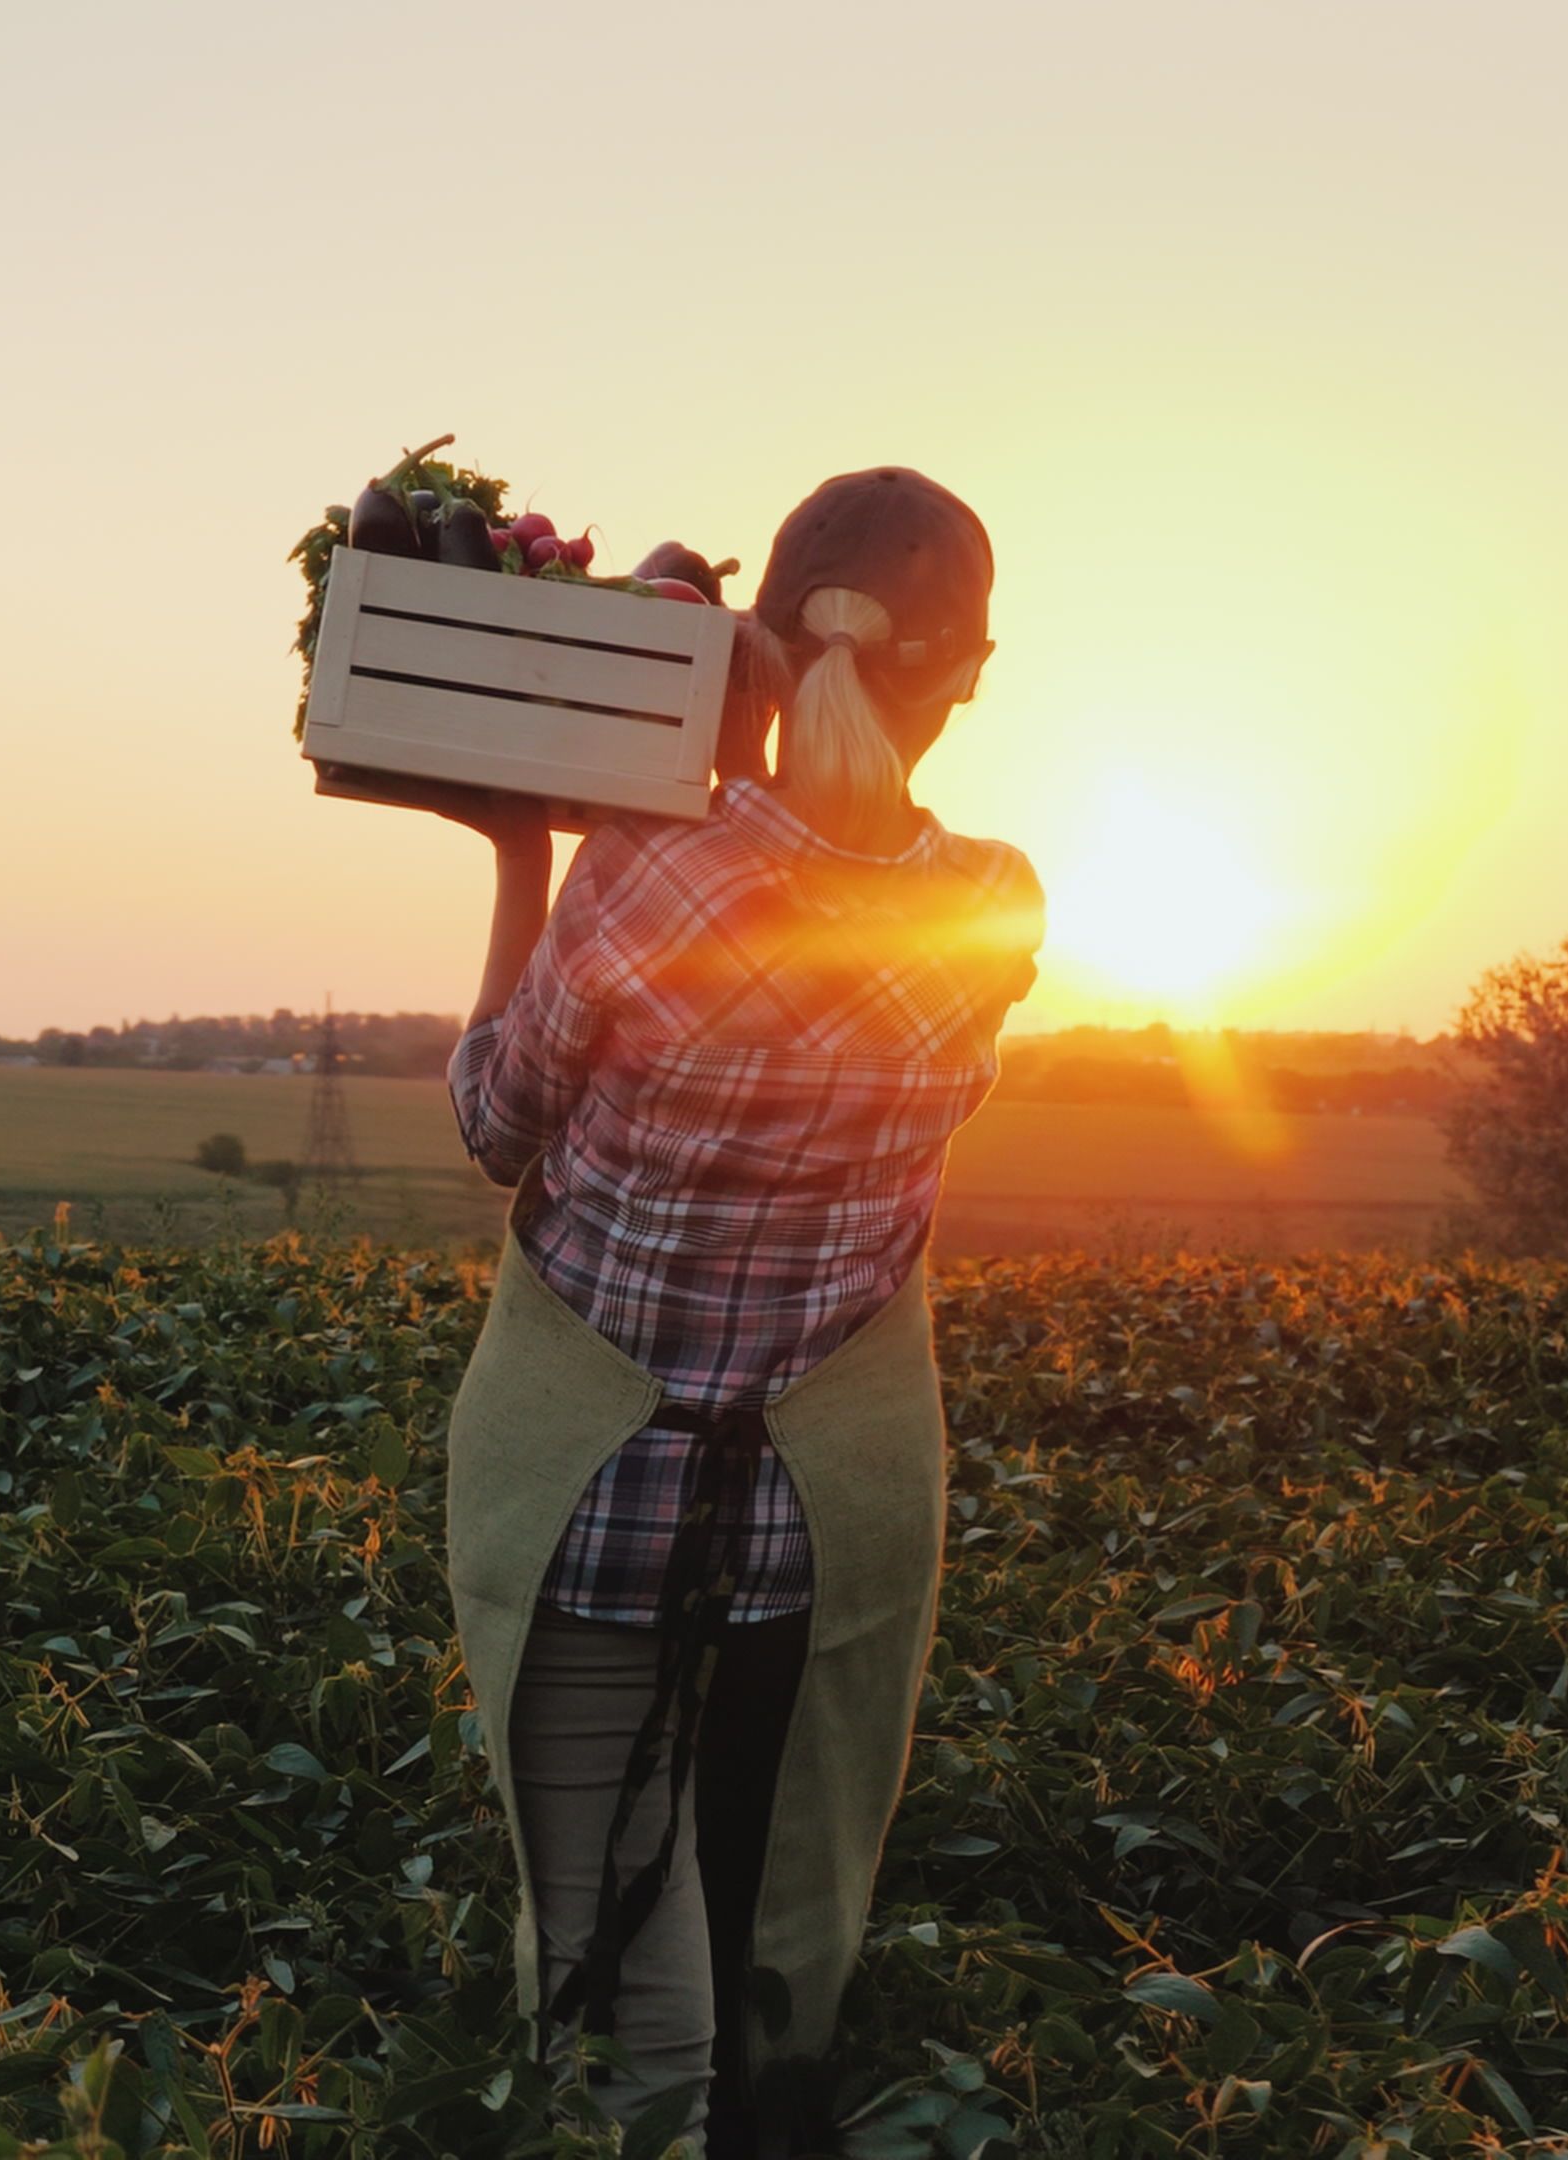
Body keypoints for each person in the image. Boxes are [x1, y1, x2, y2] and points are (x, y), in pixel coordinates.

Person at [427, 467, 1043, 2156]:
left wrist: (527, 851)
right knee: (774, 1973)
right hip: (810, 1528)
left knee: (608, 1990)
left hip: (589, 1508)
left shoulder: (644, 869)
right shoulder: (995, 908)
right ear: (971, 673)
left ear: (763, 640)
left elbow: (495, 1125)